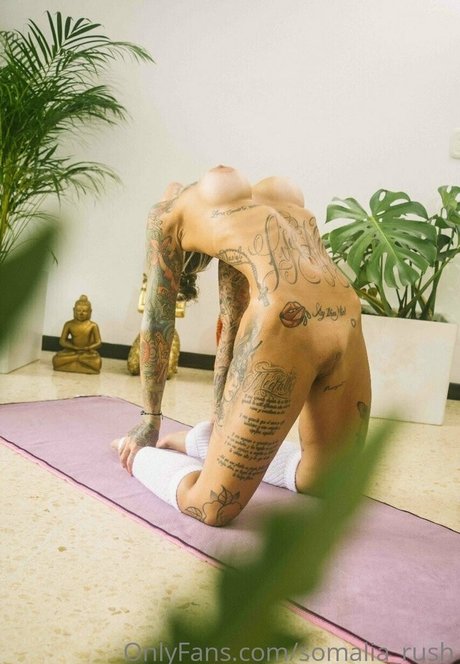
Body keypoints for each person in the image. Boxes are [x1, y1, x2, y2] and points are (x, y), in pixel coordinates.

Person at [112, 167, 371, 526]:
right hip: (343, 311)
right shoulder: (240, 205)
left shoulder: (170, 215)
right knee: (223, 503)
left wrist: (150, 419)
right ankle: (158, 453)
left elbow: (159, 322)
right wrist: (215, 420)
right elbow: (231, 323)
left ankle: (185, 446)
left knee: (316, 481)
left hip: (313, 319)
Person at [53, 294, 102, 374]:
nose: (81, 313)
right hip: (72, 351)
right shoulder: (69, 324)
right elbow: (62, 341)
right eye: (78, 310)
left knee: (97, 362)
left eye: (84, 311)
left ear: (90, 311)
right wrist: (74, 347)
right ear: (74, 310)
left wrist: (88, 348)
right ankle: (78, 359)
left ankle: (76, 359)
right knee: (56, 360)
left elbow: (99, 342)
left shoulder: (93, 325)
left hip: (87, 352)